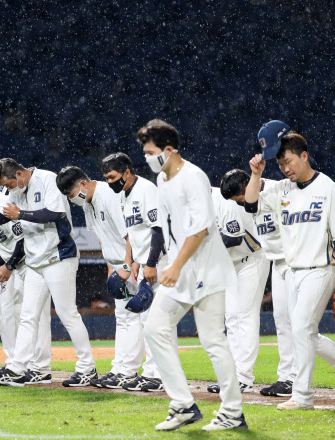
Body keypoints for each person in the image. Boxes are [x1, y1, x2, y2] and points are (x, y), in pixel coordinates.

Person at [245, 122, 335, 410]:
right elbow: (251, 203)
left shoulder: (327, 188)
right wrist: (255, 174)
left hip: (320, 269)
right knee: (303, 332)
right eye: (280, 164)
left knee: (301, 328)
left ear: (304, 155)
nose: (285, 168)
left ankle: (302, 396)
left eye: (288, 161)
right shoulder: (283, 189)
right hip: (292, 272)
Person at [138, 119, 247, 431]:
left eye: (150, 151)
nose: (146, 157)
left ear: (169, 150)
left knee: (213, 340)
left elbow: (200, 228)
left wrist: (174, 267)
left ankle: (232, 412)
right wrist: (164, 263)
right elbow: (164, 227)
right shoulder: (162, 180)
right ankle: (183, 404)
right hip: (180, 271)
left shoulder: (193, 177)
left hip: (206, 270)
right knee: (155, 328)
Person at [0, 159, 96, 387]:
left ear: (19, 173)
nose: (8, 188)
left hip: (59, 256)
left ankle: (88, 368)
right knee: (28, 316)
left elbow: (54, 213)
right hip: (36, 260)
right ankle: (19, 369)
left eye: (9, 183)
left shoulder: (47, 179)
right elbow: (5, 215)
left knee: (67, 314)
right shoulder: (15, 190)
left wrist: (21, 214)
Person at [56, 165, 146, 390]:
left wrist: (126, 265)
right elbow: (102, 239)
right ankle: (119, 369)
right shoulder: (89, 203)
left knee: (136, 318)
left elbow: (130, 235)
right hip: (117, 265)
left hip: (132, 265)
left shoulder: (109, 196)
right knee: (122, 318)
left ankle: (130, 372)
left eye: (71, 193)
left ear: (83, 184)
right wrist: (110, 267)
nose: (72, 199)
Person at [221, 168, 296, 398]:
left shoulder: (280, 190)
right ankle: (286, 378)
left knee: (298, 324)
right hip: (276, 261)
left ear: (247, 186)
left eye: (240, 197)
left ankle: (295, 377)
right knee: (281, 321)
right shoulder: (244, 203)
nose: (240, 203)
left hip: (295, 260)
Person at [101, 152, 166, 392]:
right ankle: (151, 373)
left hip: (160, 262)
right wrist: (134, 262)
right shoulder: (124, 196)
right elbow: (136, 234)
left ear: (127, 172)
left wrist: (150, 263)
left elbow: (158, 230)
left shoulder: (146, 190)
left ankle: (157, 375)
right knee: (147, 320)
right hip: (145, 263)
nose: (110, 182)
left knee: (155, 322)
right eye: (106, 178)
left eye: (113, 176)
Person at [210, 177, 270, 394]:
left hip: (251, 260)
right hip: (231, 264)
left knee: (245, 316)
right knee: (231, 319)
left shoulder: (222, 202)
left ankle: (244, 377)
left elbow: (233, 239)